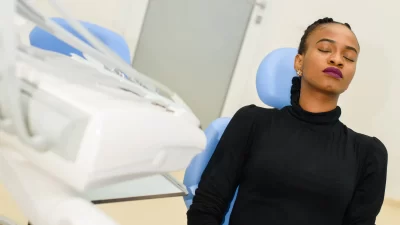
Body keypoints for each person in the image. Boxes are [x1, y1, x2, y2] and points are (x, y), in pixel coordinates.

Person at [186, 17, 388, 225]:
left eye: (349, 57)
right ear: (299, 61)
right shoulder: (252, 122)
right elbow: (207, 205)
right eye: (325, 49)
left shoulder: (368, 153)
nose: (337, 60)